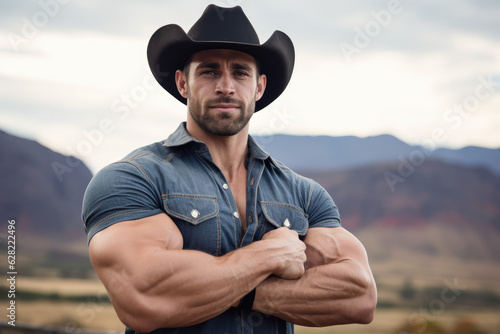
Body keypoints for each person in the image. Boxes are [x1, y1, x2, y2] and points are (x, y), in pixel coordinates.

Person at [82, 4, 377, 334]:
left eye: (240, 72)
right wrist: (268, 255)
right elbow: (146, 297)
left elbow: (358, 296)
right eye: (208, 71)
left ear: (259, 87)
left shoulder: (303, 195)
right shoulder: (133, 179)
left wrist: (233, 289)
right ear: (183, 83)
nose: (226, 86)